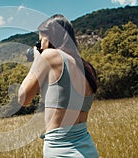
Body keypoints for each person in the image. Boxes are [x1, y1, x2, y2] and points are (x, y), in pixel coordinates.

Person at [18, 14, 99, 158]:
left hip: (60, 149)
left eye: (41, 40)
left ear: (50, 37)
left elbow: (23, 98)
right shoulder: (87, 68)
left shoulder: (50, 56)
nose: (40, 45)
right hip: (88, 149)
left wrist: (38, 59)